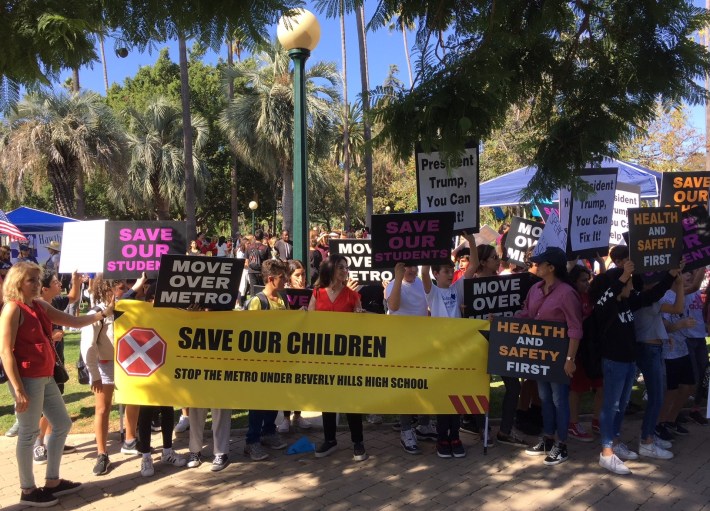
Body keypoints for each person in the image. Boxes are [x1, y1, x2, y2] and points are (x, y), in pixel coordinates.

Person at [0, 262, 110, 507]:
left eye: (38, 280)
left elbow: (73, 320)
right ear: (18, 282)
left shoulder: (38, 305)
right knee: (28, 434)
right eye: (32, 280)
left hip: (46, 375)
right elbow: (6, 353)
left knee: (61, 424)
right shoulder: (12, 309)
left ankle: (52, 481)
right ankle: (27, 490)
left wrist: (102, 314)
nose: (37, 285)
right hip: (27, 378)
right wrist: (18, 389)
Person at [519, 247, 583, 466]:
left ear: (551, 268)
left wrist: (570, 359)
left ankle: (561, 444)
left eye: (539, 263)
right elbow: (526, 315)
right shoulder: (535, 289)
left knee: (558, 399)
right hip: (539, 354)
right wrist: (501, 321)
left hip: (559, 355)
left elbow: (575, 328)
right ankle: (547, 438)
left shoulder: (566, 293)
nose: (535, 266)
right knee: (544, 397)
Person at [421, 232, 477, 458]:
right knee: (443, 396)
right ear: (436, 274)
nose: (450, 273)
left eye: (451, 269)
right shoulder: (432, 292)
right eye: (445, 270)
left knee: (457, 396)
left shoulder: (457, 289)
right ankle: (442, 437)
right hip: (439, 352)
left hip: (458, 351)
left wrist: (471, 242)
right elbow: (423, 272)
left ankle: (455, 436)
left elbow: (472, 267)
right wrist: (431, 245)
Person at [308, 254, 368, 462]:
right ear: (331, 269)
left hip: (347, 357)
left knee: (351, 400)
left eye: (346, 268)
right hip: (325, 356)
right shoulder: (317, 293)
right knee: (328, 398)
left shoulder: (353, 296)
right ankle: (330, 439)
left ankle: (357, 441)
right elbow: (310, 321)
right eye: (341, 267)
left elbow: (360, 326)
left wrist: (361, 317)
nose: (345, 271)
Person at [385, 262, 436, 453]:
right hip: (401, 345)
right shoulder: (393, 284)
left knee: (423, 385)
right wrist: (398, 278)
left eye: (414, 266)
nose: (411, 270)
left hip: (421, 343)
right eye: (407, 267)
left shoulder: (422, 282)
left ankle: (424, 424)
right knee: (406, 387)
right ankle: (406, 429)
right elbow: (394, 305)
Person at [32, 271, 82, 465]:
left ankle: (53, 442)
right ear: (44, 289)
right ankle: (38, 444)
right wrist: (51, 338)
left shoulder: (55, 303)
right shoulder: (34, 309)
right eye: (55, 282)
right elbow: (29, 339)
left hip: (56, 363)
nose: (59, 284)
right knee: (44, 407)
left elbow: (73, 297)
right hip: (42, 365)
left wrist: (76, 280)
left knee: (56, 402)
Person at [243, 259, 291, 461]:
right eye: (282, 277)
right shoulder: (257, 301)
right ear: (271, 279)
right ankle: (251, 441)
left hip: (278, 362)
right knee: (258, 402)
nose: (286, 280)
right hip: (260, 363)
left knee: (273, 399)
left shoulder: (283, 300)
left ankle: (269, 432)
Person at [634, 266, 683, 458]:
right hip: (649, 350)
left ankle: (650, 435)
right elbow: (678, 308)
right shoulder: (647, 300)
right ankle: (647, 440)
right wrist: (678, 285)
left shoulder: (643, 300)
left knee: (658, 395)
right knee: (656, 397)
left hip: (652, 348)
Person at [567, 264, 603, 442]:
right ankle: (573, 423)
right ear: (573, 282)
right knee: (577, 388)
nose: (586, 283)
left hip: (593, 349)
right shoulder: (570, 297)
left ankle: (597, 420)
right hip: (578, 350)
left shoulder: (591, 295)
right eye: (583, 280)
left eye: (587, 280)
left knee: (601, 385)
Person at [277, 260, 313, 433]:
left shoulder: (311, 293)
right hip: (287, 345)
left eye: (303, 274)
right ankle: (285, 417)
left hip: (305, 344)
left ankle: (298, 416)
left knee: (300, 381)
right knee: (287, 382)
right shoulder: (283, 295)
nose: (301, 279)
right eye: (297, 275)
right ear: (289, 278)